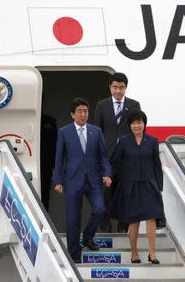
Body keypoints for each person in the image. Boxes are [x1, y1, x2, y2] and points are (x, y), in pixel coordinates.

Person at [53, 97, 112, 263]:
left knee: (100, 209)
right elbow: (59, 158)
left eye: (85, 111)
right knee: (73, 218)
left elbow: (103, 157)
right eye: (79, 111)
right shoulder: (64, 132)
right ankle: (74, 253)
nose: (83, 114)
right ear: (72, 114)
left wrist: (107, 174)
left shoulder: (96, 131)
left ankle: (87, 237)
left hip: (93, 180)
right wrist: (58, 181)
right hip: (72, 180)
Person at [109, 109, 165, 264]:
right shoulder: (123, 141)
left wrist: (160, 187)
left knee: (151, 218)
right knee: (133, 221)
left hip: (149, 184)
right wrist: (109, 176)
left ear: (144, 123)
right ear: (129, 125)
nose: (136, 125)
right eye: (133, 123)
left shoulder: (152, 141)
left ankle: (152, 253)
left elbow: (156, 165)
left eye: (139, 122)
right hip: (130, 185)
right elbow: (114, 161)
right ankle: (134, 253)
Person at [94, 72, 141, 232]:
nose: (118, 91)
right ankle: (105, 227)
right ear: (110, 87)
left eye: (121, 87)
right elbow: (97, 132)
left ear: (126, 88)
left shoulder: (134, 105)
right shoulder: (102, 105)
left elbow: (138, 130)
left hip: (127, 158)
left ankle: (123, 227)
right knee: (105, 192)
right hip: (107, 157)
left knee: (126, 193)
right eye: (115, 87)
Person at [40, 112, 57, 210]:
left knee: (45, 194)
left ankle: (44, 221)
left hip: (47, 164)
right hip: (31, 159)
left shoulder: (50, 121)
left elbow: (55, 146)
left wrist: (55, 168)